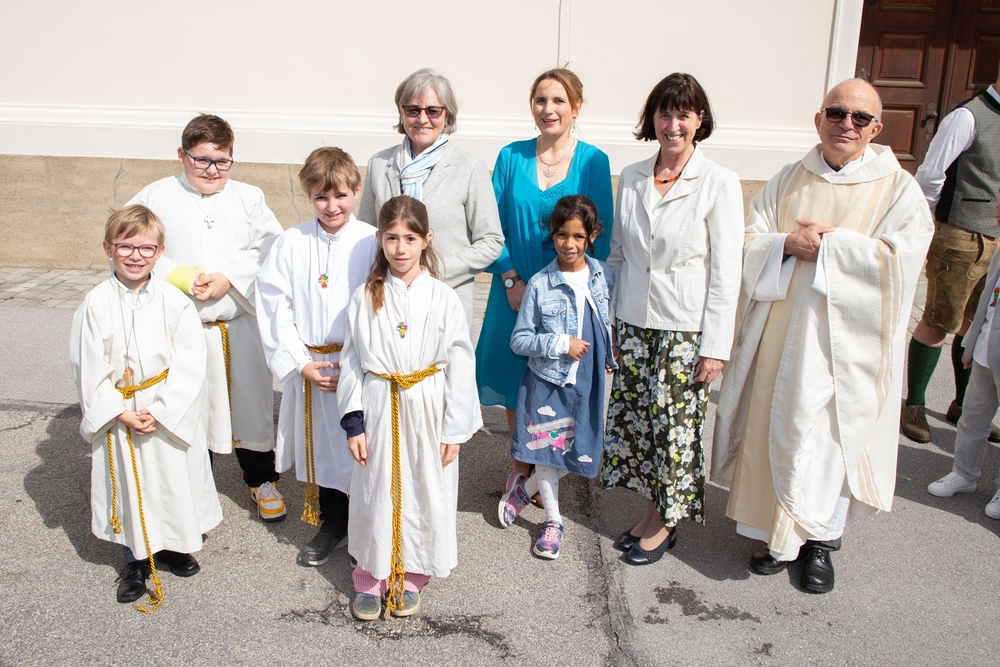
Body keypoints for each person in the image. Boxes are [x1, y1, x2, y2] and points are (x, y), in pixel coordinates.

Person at [712, 79, 934, 593]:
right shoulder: (789, 178)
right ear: (818, 120)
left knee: (830, 441)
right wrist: (786, 244)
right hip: (779, 338)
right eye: (836, 113)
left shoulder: (897, 188)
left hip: (844, 350)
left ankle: (820, 543)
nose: (846, 124)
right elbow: (748, 240)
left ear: (876, 129)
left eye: (860, 118)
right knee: (775, 428)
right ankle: (774, 538)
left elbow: (902, 263)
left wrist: (833, 250)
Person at [601, 73, 743, 566]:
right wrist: (611, 323)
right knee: (642, 427)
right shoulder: (633, 176)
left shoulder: (719, 182)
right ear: (653, 119)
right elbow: (618, 256)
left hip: (684, 329)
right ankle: (650, 513)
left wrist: (716, 347)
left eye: (684, 114)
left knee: (674, 428)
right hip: (633, 324)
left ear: (700, 119)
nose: (673, 124)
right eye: (665, 113)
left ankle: (667, 522)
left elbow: (726, 272)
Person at [128, 114, 287, 523]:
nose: (213, 170)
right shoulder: (155, 197)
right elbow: (132, 244)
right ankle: (193, 492)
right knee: (191, 410)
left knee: (250, 406)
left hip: (238, 325)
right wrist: (181, 276)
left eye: (222, 161)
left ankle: (260, 479)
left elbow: (272, 249)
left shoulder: (249, 198)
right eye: (202, 160)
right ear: (181, 155)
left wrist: (228, 278)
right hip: (182, 330)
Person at [70, 205, 223, 611]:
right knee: (130, 483)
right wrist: (118, 411)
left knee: (171, 479)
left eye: (146, 248)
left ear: (160, 252)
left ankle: (173, 546)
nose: (135, 256)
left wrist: (163, 410)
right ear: (108, 248)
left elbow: (191, 361)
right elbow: (87, 366)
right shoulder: (95, 303)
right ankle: (134, 561)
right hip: (121, 410)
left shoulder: (175, 301)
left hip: (163, 406)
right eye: (125, 247)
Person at [338, 195, 483, 621]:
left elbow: (461, 362)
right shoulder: (366, 295)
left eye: (410, 238)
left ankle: (413, 572)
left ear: (426, 240)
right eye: (391, 238)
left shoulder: (442, 297)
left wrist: (454, 429)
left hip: (427, 406)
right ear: (379, 240)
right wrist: (353, 422)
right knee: (376, 489)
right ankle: (370, 573)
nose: (400, 248)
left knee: (424, 487)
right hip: (379, 403)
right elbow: (352, 359)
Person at [476, 68, 614, 478]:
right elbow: (489, 226)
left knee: (560, 380)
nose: (548, 109)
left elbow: (601, 234)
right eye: (540, 100)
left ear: (576, 107)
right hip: (513, 291)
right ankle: (522, 467)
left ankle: (548, 471)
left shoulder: (594, 161)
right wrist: (510, 278)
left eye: (558, 101)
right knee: (515, 378)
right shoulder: (510, 157)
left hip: (568, 293)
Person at [255, 147, 378, 566]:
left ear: (356, 191)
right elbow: (273, 304)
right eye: (321, 197)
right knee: (323, 447)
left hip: (358, 366)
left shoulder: (372, 241)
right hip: (311, 365)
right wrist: (299, 363)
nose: (331, 206)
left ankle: (366, 528)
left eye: (340, 195)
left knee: (361, 446)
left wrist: (361, 364)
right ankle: (332, 523)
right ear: (308, 195)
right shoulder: (292, 242)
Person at [497, 195, 616, 559]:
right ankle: (553, 521)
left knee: (582, 451)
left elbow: (608, 320)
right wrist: (561, 343)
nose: (569, 244)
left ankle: (526, 488)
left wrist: (610, 353)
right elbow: (520, 340)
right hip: (548, 381)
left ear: (592, 236)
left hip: (588, 382)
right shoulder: (540, 284)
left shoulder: (604, 275)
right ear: (552, 234)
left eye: (578, 236)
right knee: (547, 451)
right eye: (562, 235)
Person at [358, 67, 504, 326]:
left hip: (446, 300)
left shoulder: (470, 168)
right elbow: (367, 236)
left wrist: (432, 272)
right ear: (401, 113)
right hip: (388, 301)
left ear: (447, 115)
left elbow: (491, 241)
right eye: (413, 110)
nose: (422, 118)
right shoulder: (379, 165)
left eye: (433, 110)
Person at [901, 63, 1000, 444]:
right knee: (939, 321)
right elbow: (931, 174)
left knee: (977, 324)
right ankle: (915, 403)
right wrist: (928, 228)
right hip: (960, 235)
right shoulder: (967, 116)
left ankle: (963, 405)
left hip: (996, 239)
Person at [926, 194, 1000, 520]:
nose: (996, 216)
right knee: (972, 418)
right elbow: (985, 302)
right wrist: (971, 344)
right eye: (998, 208)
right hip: (986, 349)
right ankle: (964, 473)